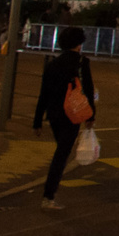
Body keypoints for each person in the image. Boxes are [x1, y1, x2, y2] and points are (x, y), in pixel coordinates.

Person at [33, 26, 96, 212]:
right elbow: (88, 90)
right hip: (73, 114)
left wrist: (37, 121)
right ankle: (48, 195)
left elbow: (43, 94)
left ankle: (50, 194)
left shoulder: (53, 63)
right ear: (79, 43)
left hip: (54, 114)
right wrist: (91, 115)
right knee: (61, 155)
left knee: (61, 150)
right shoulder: (81, 62)